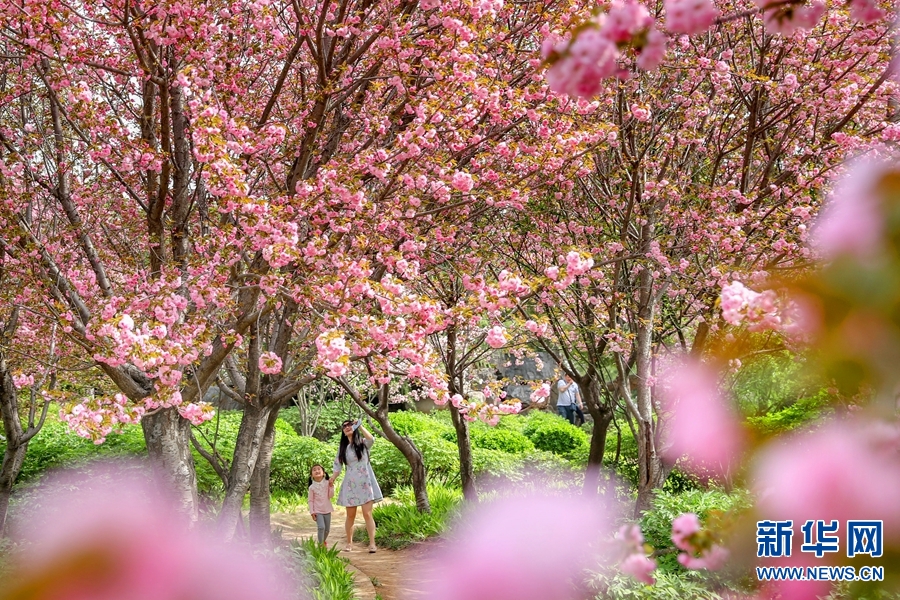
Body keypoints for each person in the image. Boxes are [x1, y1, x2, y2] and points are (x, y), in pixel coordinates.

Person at [332, 418, 383, 553]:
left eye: (350, 425)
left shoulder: (363, 444)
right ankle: (349, 543)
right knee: (350, 515)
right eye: (344, 426)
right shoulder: (343, 448)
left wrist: (360, 426)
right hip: (350, 485)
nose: (347, 427)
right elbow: (337, 466)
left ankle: (372, 543)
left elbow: (372, 439)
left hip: (365, 483)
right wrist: (331, 479)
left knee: (367, 514)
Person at [308, 464, 335, 547]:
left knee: (327, 530)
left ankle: (323, 542)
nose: (317, 471)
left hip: (327, 509)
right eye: (314, 470)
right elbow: (310, 500)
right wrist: (312, 512)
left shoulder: (327, 483)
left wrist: (331, 486)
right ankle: (320, 546)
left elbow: (331, 496)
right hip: (317, 511)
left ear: (323, 473)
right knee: (321, 527)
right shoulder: (312, 487)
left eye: (319, 469)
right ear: (311, 475)